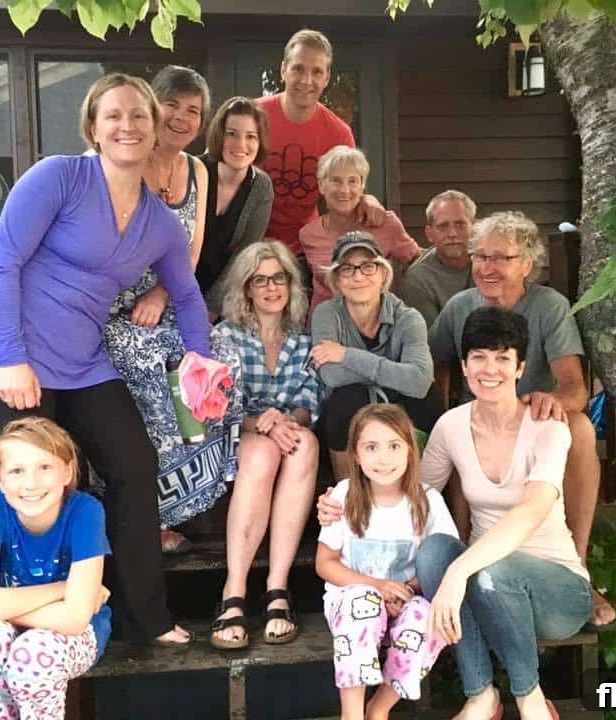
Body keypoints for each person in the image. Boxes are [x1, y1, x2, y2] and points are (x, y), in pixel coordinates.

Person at [0, 72, 202, 646]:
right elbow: (2, 264)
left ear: (155, 129)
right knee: (32, 483)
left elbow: (188, 297)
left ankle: (145, 617)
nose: (127, 125)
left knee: (134, 466)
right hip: (10, 356)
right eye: (113, 115)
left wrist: (201, 363)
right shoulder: (59, 177)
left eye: (139, 115)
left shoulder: (161, 222)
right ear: (93, 127)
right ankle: (17, 620)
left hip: (82, 359)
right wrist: (12, 359)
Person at [425, 210, 614, 627]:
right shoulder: (460, 306)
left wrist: (549, 401)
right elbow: (430, 360)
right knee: (449, 432)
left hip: (534, 420)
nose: (486, 267)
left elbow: (575, 388)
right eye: (480, 256)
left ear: (527, 264)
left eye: (500, 258)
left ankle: (578, 567)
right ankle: (461, 560)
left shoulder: (549, 306)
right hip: (477, 421)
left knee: (580, 428)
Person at [416, 306, 594, 720]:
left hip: (557, 592)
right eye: (478, 357)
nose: (490, 369)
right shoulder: (450, 426)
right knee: (434, 551)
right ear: (464, 366)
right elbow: (417, 498)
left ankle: (530, 697)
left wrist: (458, 572)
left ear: (520, 368)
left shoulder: (548, 427)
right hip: (484, 585)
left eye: (502, 357)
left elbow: (531, 510)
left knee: (491, 570)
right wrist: (346, 504)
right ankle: (481, 695)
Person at [102, 66, 244, 555]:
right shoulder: (125, 164)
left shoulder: (198, 171)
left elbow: (192, 248)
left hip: (169, 296)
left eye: (194, 111)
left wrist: (163, 294)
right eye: (172, 105)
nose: (182, 118)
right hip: (114, 308)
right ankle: (147, 514)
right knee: (147, 362)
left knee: (222, 355)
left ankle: (198, 488)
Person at [0, 417, 111, 719]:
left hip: (74, 636)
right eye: (17, 471)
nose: (31, 483)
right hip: (13, 628)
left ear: (67, 471)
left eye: (45, 467)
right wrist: (63, 590)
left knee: (31, 654)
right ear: (0, 479)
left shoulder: (85, 511)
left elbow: (75, 619)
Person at [316, 404, 457, 720]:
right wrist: (378, 587)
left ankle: (379, 708)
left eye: (394, 446)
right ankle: (352, 714)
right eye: (371, 447)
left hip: (406, 598)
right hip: (352, 600)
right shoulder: (344, 495)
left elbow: (443, 562)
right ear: (355, 455)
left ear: (410, 451)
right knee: (362, 601)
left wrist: (404, 591)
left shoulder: (428, 501)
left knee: (428, 617)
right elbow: (325, 563)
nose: (383, 458)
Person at [211, 241, 320, 649]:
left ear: (291, 284)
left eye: (279, 278)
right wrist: (260, 423)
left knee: (305, 444)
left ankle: (277, 586)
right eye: (260, 280)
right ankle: (234, 589)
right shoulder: (225, 336)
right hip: (238, 434)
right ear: (247, 288)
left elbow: (309, 398)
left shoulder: (303, 340)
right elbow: (217, 405)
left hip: (286, 431)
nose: (272, 288)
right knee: (261, 451)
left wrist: (286, 422)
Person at [310, 231, 443, 481]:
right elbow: (331, 375)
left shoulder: (408, 317)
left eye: (368, 266)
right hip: (346, 409)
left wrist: (346, 354)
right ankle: (347, 494)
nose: (358, 276)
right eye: (347, 269)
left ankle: (419, 490)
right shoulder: (327, 313)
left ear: (383, 274)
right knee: (346, 399)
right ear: (336, 279)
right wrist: (397, 373)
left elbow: (419, 382)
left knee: (427, 400)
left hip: (404, 401)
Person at [257, 28, 385, 264]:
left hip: (307, 247)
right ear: (283, 70)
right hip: (251, 243)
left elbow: (349, 189)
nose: (307, 80)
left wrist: (367, 199)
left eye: (316, 72)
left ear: (326, 78)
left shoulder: (338, 133)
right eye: (298, 69)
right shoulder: (254, 116)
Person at [300, 145, 420, 320]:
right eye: (336, 181)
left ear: (363, 185)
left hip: (374, 327)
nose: (345, 190)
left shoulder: (384, 223)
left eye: (353, 181)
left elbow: (418, 260)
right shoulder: (308, 234)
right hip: (323, 326)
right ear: (321, 185)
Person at [197, 96, 274, 317]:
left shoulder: (261, 186)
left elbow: (244, 256)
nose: (241, 145)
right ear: (219, 136)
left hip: (223, 295)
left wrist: (211, 309)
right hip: (171, 287)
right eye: (231, 134)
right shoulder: (192, 169)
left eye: (251, 136)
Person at [399, 189, 476, 327]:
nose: (452, 233)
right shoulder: (418, 279)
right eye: (443, 226)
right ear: (429, 234)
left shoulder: (490, 261)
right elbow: (430, 337)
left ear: (474, 228)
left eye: (460, 224)